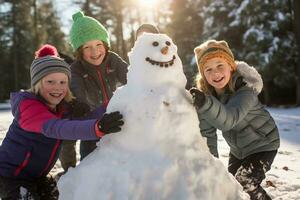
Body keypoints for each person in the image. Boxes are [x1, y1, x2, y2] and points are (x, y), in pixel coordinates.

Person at [0, 44, 124, 200]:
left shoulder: (61, 108)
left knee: (68, 192)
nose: (57, 88)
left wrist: (116, 102)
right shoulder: (28, 108)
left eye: (62, 82)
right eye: (50, 82)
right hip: (10, 177)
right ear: (37, 83)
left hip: (37, 176)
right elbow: (57, 128)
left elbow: (85, 120)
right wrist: (97, 127)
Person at [189, 40, 280, 200]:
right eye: (208, 69)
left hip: (263, 145)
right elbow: (207, 133)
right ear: (203, 75)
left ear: (231, 66)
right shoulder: (209, 98)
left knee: (245, 182)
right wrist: (212, 165)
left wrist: (205, 103)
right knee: (230, 186)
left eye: (219, 65)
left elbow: (229, 120)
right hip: (238, 150)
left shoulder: (245, 91)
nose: (215, 73)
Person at [58, 11, 129, 171]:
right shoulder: (75, 69)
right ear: (79, 51)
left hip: (114, 117)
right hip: (90, 123)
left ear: (105, 44)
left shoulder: (113, 59)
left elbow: (132, 77)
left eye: (98, 45)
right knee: (90, 163)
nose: (95, 52)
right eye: (87, 47)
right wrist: (80, 105)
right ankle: (74, 175)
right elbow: (77, 91)